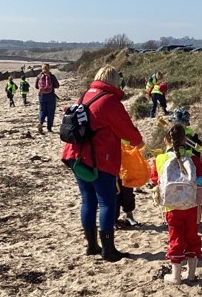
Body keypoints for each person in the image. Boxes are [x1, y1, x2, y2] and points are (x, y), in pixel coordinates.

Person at [60, 66, 143, 262]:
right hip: (98, 159)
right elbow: (127, 130)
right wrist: (138, 142)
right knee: (107, 201)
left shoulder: (85, 95)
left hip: (76, 155)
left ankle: (91, 246)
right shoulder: (109, 101)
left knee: (88, 200)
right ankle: (108, 249)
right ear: (114, 80)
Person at [150, 123, 202, 285]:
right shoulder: (194, 159)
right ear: (185, 139)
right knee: (192, 236)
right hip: (192, 206)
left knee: (175, 237)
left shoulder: (160, 159)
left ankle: (176, 276)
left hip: (171, 207)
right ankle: (191, 274)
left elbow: (155, 180)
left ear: (165, 140)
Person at [35, 63, 59, 134]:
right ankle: (49, 128)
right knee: (50, 112)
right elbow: (57, 85)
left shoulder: (39, 76)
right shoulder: (52, 76)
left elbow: (36, 86)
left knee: (42, 110)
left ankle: (40, 123)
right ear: (49, 68)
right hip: (51, 96)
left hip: (41, 96)